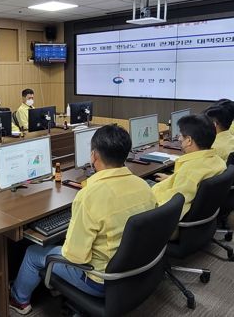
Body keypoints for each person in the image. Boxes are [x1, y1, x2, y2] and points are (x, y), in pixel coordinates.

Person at [9, 125, 157, 314]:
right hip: (135, 268)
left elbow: (75, 256)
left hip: (100, 280)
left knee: (33, 252)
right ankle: (55, 288)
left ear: (94, 156)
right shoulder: (143, 185)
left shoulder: (89, 196)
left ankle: (19, 300)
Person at [152, 114, 226, 219]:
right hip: (204, 218)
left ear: (189, 141)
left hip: (171, 224)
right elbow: (192, 185)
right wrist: (172, 178)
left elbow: (169, 206)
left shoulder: (190, 171)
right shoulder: (218, 161)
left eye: (181, 135)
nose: (179, 138)